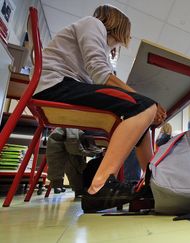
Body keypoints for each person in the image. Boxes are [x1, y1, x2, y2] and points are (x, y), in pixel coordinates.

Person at [32, 5, 166, 212]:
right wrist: (146, 101)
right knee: (144, 107)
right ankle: (100, 185)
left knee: (141, 123)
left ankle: (154, 187)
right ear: (120, 25)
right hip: (56, 85)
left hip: (60, 87)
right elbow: (101, 75)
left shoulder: (93, 37)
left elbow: (98, 77)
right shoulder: (93, 23)